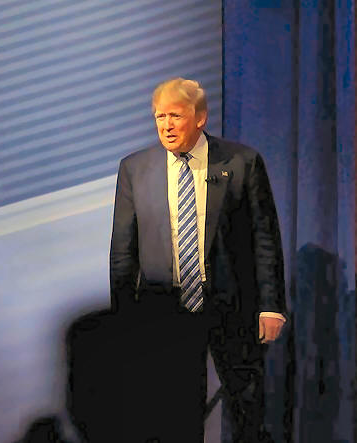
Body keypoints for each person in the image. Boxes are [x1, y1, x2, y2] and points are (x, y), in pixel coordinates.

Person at [109, 78, 286, 442]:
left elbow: (264, 238)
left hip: (231, 305)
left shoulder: (241, 162)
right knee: (177, 413)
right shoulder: (135, 169)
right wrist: (123, 319)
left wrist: (270, 306)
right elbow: (123, 251)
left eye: (175, 116)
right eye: (160, 117)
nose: (166, 125)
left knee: (248, 409)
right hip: (166, 312)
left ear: (200, 117)